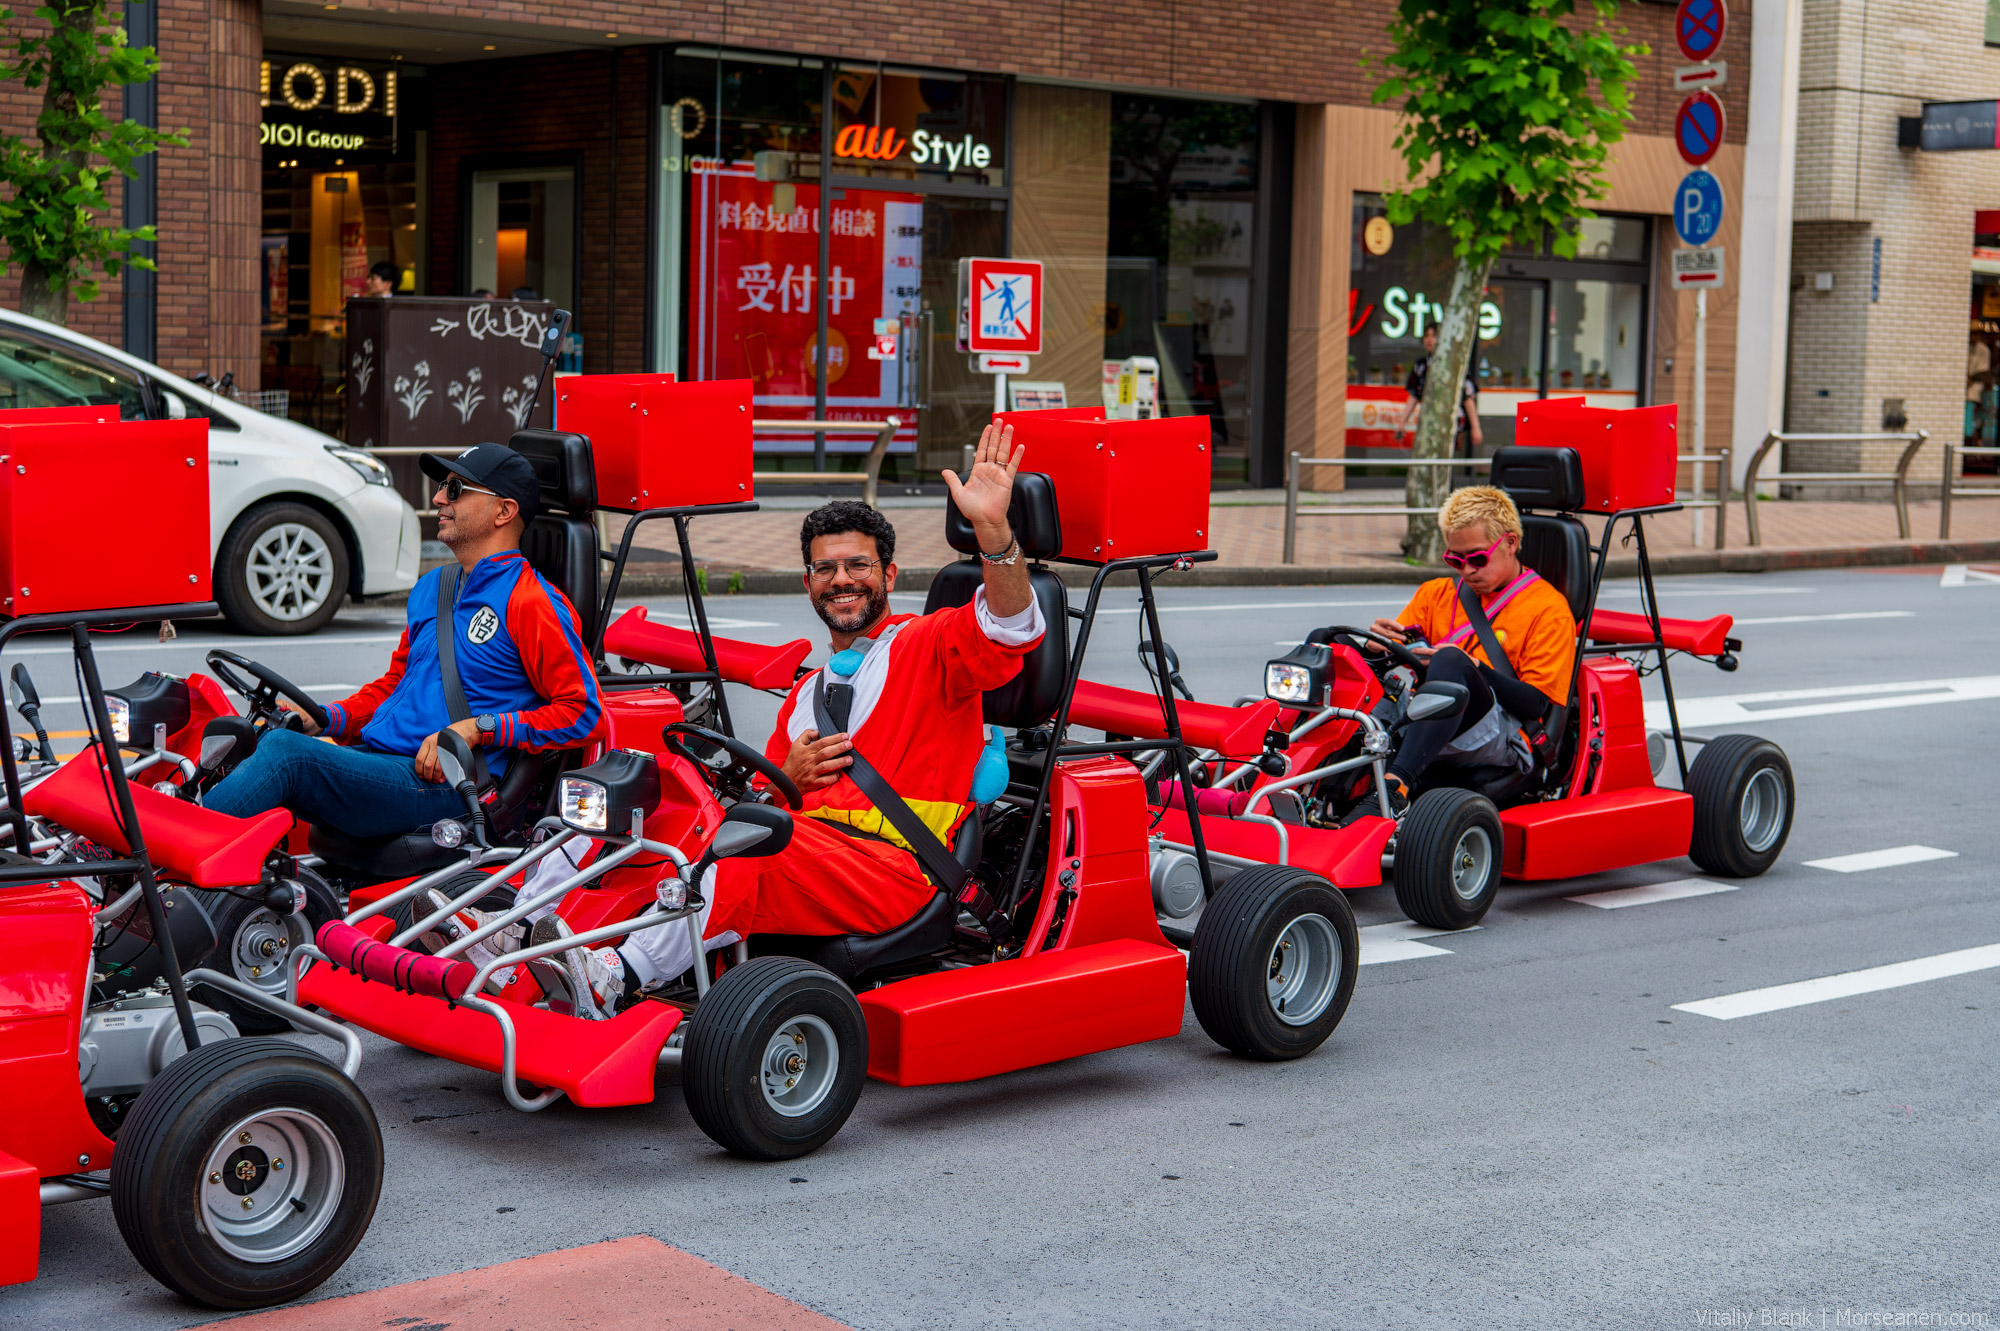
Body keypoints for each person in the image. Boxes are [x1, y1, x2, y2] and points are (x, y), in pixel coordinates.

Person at [488, 423, 1045, 1016]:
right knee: (626, 814)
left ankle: (613, 977)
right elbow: (764, 795)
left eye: (858, 565)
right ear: (809, 584)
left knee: (742, 847)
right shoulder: (809, 692)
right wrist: (787, 775)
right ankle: (513, 931)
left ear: (889, 575)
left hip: (897, 869)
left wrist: (993, 532)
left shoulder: (930, 645)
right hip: (817, 856)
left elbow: (1011, 627)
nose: (842, 581)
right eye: (825, 570)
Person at [204, 444, 604, 840]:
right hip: (388, 763)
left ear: (504, 511)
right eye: (443, 486)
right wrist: (327, 717)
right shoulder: (433, 587)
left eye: (456, 489)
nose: (438, 498)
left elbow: (586, 715)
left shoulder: (532, 602)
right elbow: (396, 686)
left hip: (450, 787)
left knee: (285, 755)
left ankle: (170, 863)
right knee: (250, 738)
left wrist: (478, 728)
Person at [1360, 486, 1575, 816]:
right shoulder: (1435, 594)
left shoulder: (1548, 609)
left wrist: (1474, 666)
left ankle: (1395, 785)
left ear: (1510, 543)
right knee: (1331, 644)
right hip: (1428, 716)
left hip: (1506, 734)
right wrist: (1377, 650)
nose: (1466, 570)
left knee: (1451, 660)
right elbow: (1395, 660)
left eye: (1476, 558)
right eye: (1454, 559)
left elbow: (1536, 704)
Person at [1395, 325, 1483, 454]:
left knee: (1444, 458)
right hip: (1429, 421)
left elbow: (1467, 397)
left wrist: (1476, 427)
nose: (1429, 340)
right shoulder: (1421, 366)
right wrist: (1402, 422)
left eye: (1434, 336)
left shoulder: (1454, 364)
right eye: (1427, 336)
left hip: (1450, 421)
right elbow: (1414, 394)